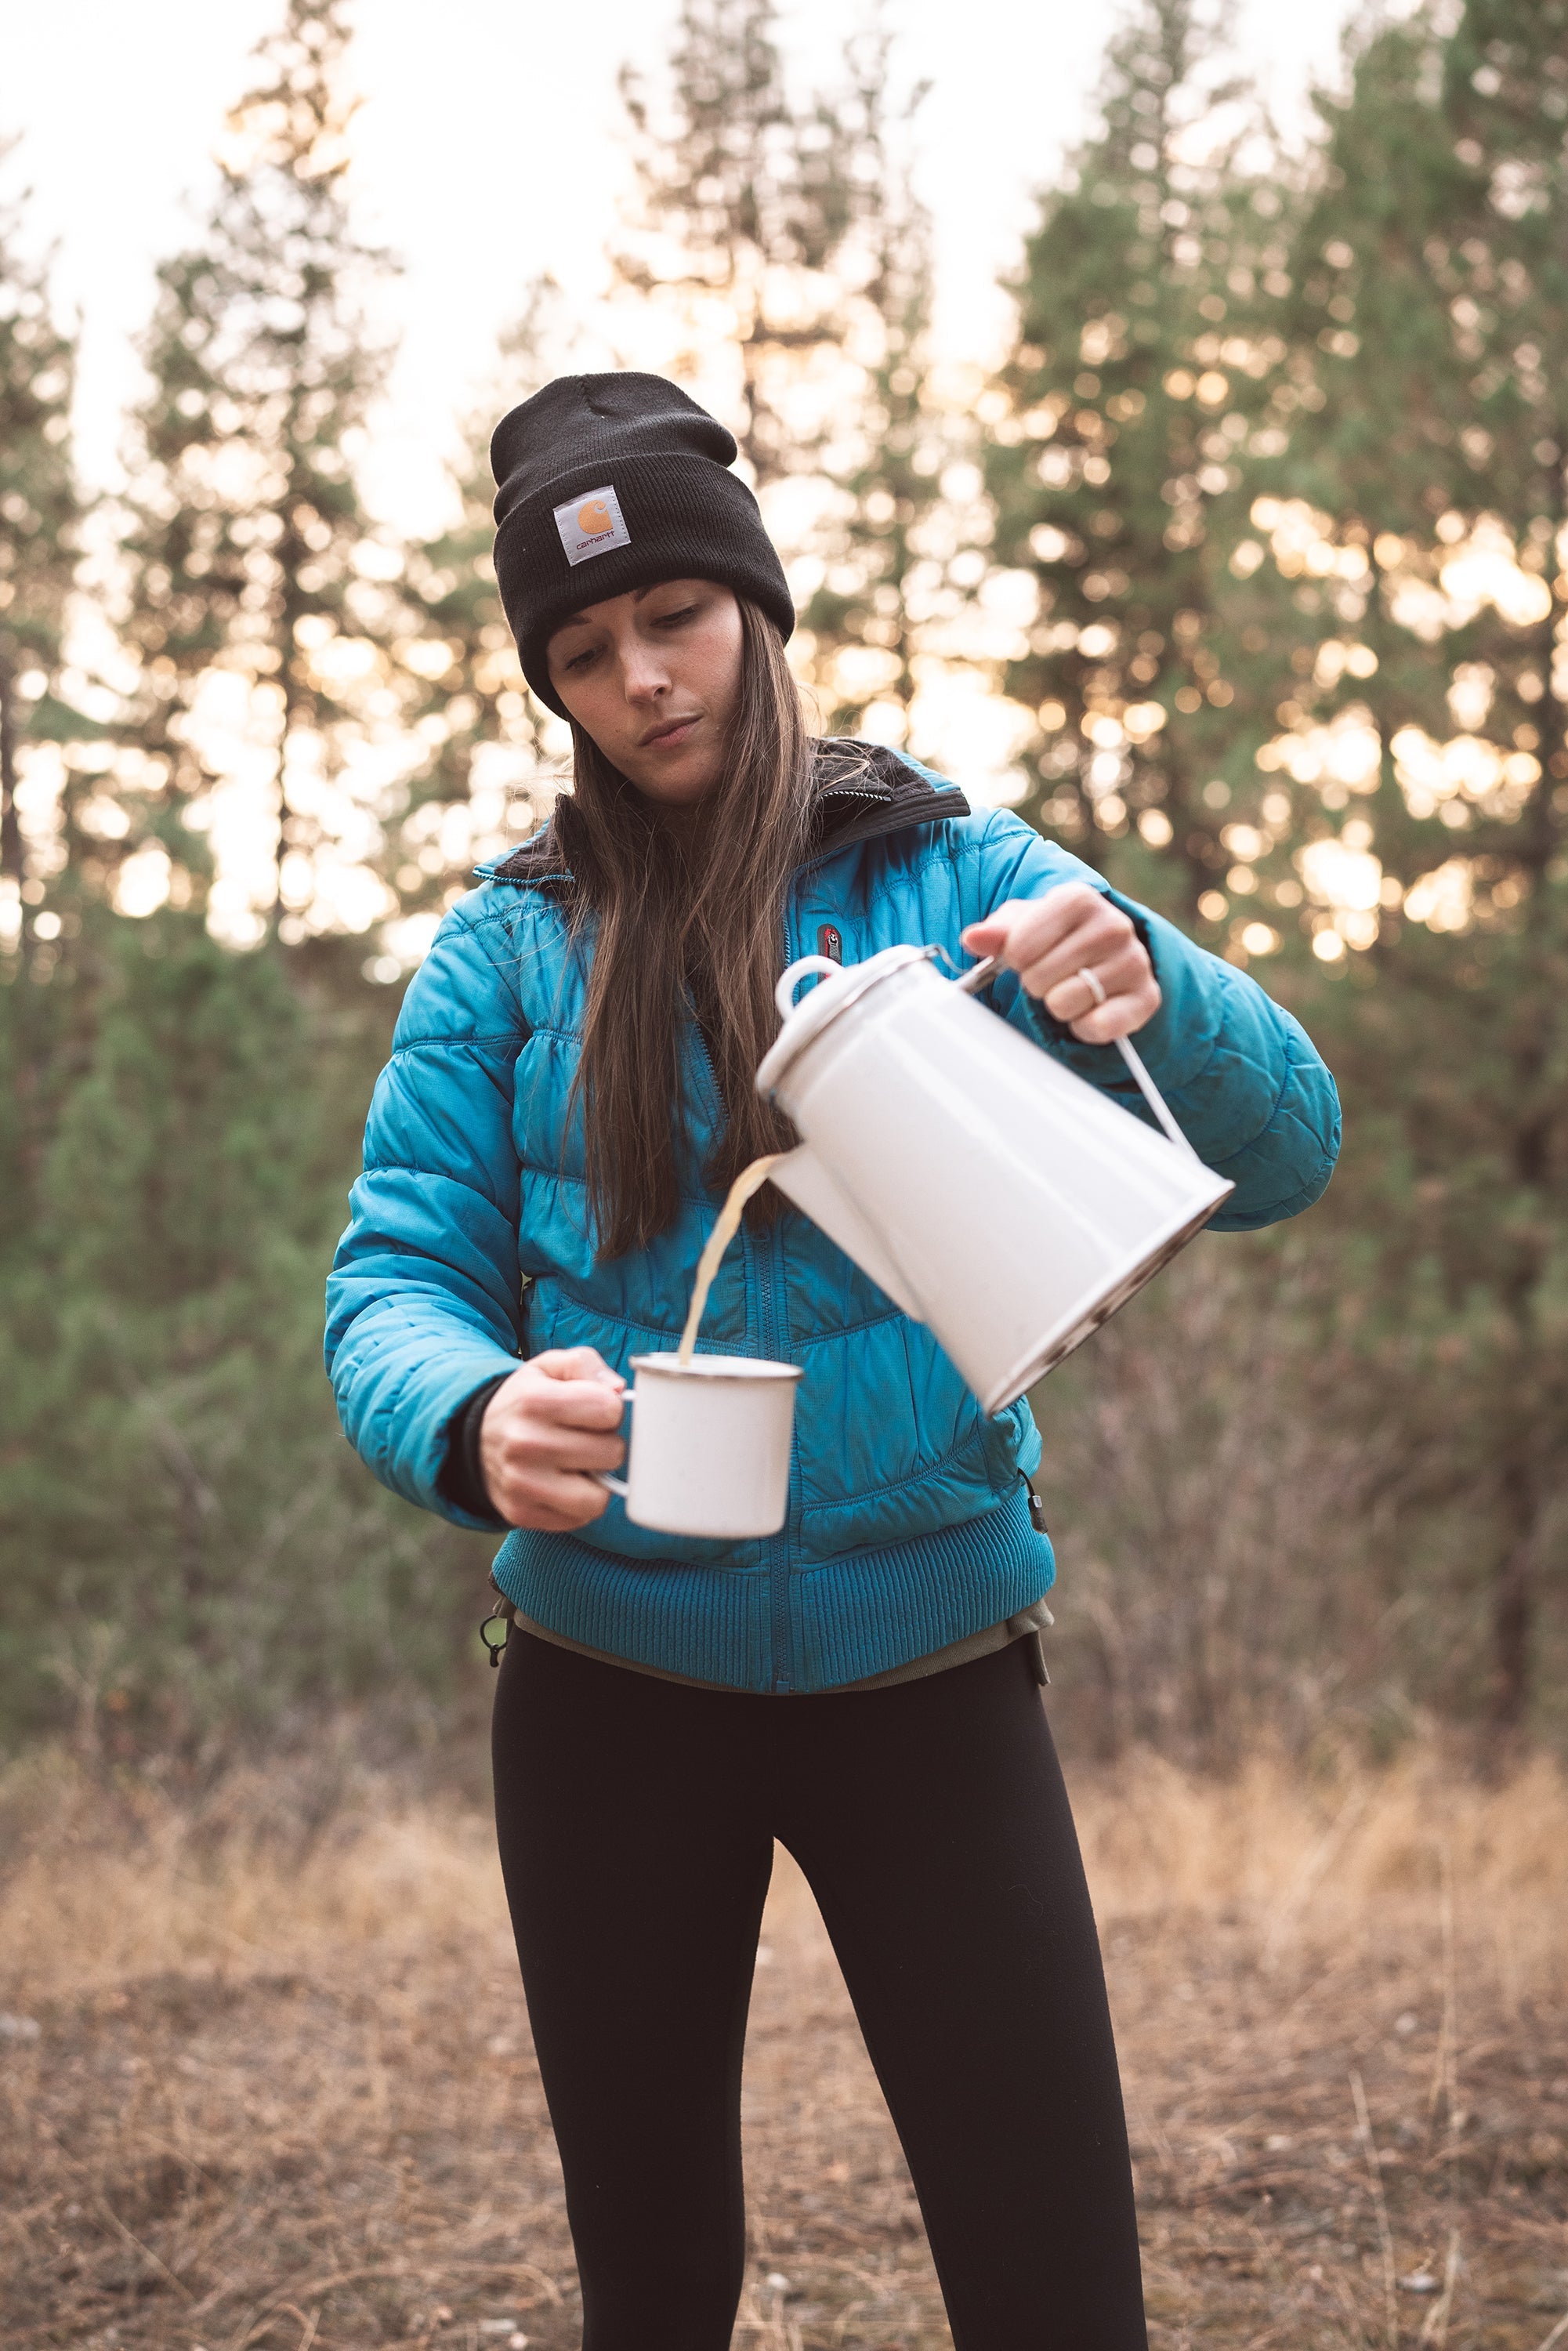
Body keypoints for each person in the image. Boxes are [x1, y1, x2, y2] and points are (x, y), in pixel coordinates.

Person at [326, 372, 1340, 2351]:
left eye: (674, 619)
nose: (642, 680)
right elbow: (391, 1282)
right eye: (586, 651)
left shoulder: (959, 876)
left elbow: (1282, 1152)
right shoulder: (510, 953)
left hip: (930, 1680)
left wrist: (1150, 978)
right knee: (653, 2294)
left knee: (1051, 2288)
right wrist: (466, 1412)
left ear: (757, 611)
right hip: (607, 1696)